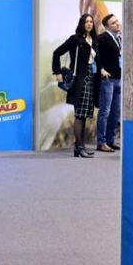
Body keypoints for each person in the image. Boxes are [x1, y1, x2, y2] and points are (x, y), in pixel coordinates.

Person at [52, 14, 100, 158]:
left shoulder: (94, 40)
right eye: (86, 21)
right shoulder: (75, 39)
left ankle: (80, 146)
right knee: (79, 114)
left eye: (91, 21)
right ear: (81, 24)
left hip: (90, 79)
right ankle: (78, 147)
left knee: (84, 115)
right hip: (79, 80)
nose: (89, 24)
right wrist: (57, 72)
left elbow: (96, 61)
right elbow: (57, 53)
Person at [96, 13, 122, 153]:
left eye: (117, 21)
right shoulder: (102, 38)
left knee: (115, 112)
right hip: (107, 80)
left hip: (118, 79)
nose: (117, 24)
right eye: (113, 23)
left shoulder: (119, 38)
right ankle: (101, 142)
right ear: (106, 27)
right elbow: (96, 56)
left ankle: (110, 141)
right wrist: (101, 69)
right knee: (105, 111)